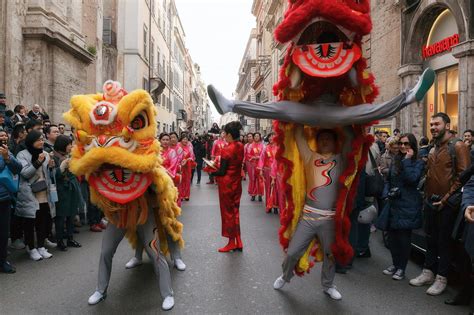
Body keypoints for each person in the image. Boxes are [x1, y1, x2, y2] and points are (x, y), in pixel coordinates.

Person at [273, 126, 351, 300]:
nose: (324, 141)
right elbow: (299, 134)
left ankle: (328, 285)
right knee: (293, 252)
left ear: (334, 142)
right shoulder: (310, 157)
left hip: (329, 219)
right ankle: (285, 276)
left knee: (331, 254)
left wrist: (342, 119)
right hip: (308, 217)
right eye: (321, 138)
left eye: (328, 138)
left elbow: (350, 138)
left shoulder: (341, 159)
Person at [409, 112, 471, 295]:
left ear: (447, 125)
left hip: (448, 204)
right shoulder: (433, 148)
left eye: (437, 124)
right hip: (430, 201)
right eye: (431, 125)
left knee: (444, 242)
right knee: (430, 238)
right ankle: (428, 272)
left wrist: (445, 199)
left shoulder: (458, 146)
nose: (433, 128)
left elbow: (464, 177)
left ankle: (441, 278)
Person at [125, 133, 186, 271]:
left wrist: (159, 175)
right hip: (144, 195)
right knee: (140, 227)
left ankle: (177, 257)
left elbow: (172, 171)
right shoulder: (143, 154)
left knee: (169, 226)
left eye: (166, 139)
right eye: (162, 139)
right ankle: (138, 256)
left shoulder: (171, 153)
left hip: (164, 194)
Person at [382, 133, 424, 280]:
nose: (403, 146)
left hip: (408, 204)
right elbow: (389, 180)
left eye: (407, 144)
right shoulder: (395, 160)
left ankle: (401, 268)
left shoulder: (417, 161)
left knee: (403, 239)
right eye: (401, 144)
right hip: (394, 203)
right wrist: (386, 193)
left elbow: (412, 179)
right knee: (392, 238)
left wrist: (406, 160)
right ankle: (395, 264)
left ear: (412, 145)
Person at [15, 130, 56, 261]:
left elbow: (50, 176)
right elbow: (25, 173)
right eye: (38, 140)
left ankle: (41, 247)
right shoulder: (22, 154)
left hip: (44, 192)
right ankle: (31, 248)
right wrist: (38, 162)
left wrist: (51, 167)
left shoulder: (45, 154)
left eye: (42, 139)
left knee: (42, 221)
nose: (41, 142)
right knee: (29, 222)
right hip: (29, 193)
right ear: (31, 141)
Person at [212, 121, 245, 252]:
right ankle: (239, 241)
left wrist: (210, 169)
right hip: (237, 182)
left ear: (230, 134)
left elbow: (222, 171)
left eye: (225, 133)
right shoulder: (241, 146)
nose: (224, 135)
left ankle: (231, 242)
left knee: (227, 213)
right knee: (235, 211)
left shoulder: (227, 149)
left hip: (226, 184)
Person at [52, 135, 82, 251]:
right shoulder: (53, 157)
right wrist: (62, 167)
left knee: (71, 214)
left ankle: (70, 238)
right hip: (61, 190)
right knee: (61, 216)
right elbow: (54, 176)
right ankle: (60, 240)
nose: (71, 147)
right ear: (63, 145)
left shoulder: (69, 156)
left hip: (71, 188)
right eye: (69, 145)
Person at [0, 129, 22, 273]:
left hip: (4, 198)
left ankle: (2, 261)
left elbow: (18, 168)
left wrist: (7, 157)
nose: (3, 137)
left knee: (2, 232)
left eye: (3, 135)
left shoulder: (6, 151)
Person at [257, 132, 279, 213]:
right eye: (270, 137)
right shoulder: (265, 148)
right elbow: (262, 159)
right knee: (268, 188)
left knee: (276, 188)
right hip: (267, 170)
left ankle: (276, 206)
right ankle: (268, 205)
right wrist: (260, 170)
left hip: (277, 171)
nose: (271, 138)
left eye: (273, 137)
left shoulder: (279, 148)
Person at [178, 134, 195, 201]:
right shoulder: (178, 147)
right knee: (181, 180)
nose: (185, 140)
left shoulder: (189, 147)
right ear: (181, 140)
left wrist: (187, 160)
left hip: (187, 166)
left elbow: (192, 157)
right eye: (184, 139)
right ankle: (181, 195)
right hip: (180, 166)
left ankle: (187, 195)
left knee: (187, 180)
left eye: (186, 139)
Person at [248, 132, 264, 201]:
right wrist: (253, 157)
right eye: (255, 136)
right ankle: (253, 194)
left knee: (260, 180)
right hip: (253, 165)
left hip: (260, 166)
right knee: (253, 180)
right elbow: (248, 155)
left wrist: (258, 157)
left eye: (258, 136)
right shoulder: (251, 146)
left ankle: (260, 195)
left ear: (260, 137)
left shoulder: (262, 146)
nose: (256, 137)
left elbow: (264, 156)